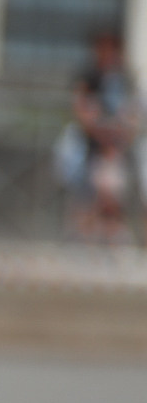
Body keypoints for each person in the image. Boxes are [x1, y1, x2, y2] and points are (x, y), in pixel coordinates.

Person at [71, 30, 137, 244]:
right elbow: (81, 108)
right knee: (88, 193)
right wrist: (99, 132)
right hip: (92, 146)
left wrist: (119, 136)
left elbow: (133, 114)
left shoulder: (124, 79)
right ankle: (84, 236)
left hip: (116, 148)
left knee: (113, 194)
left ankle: (112, 236)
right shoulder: (90, 76)